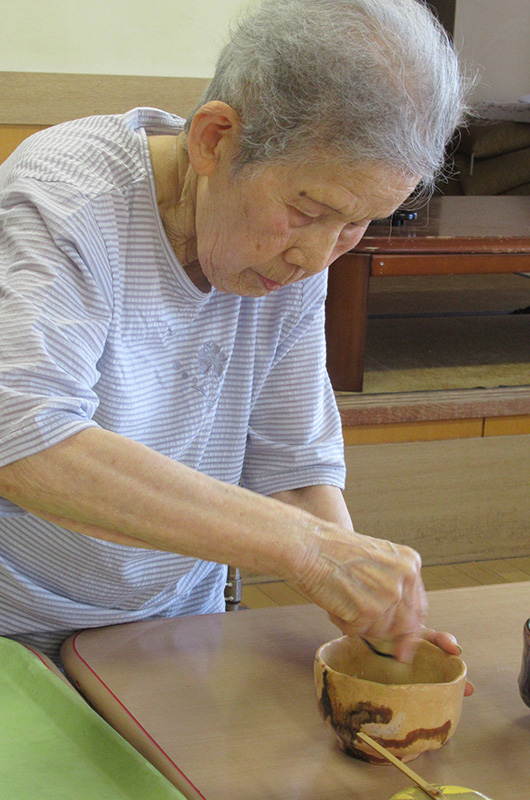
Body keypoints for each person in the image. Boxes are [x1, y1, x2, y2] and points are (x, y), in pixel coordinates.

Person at [0, 0, 469, 666]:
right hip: (18, 636)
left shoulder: (297, 250)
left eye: (358, 225)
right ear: (215, 139)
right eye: (307, 211)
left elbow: (293, 465)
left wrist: (370, 608)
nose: (317, 256)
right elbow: (25, 442)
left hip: (177, 627)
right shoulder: (65, 201)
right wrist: (309, 551)